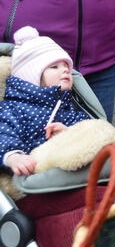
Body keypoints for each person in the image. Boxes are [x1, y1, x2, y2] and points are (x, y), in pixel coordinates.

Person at [0, 26, 91, 176]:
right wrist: (13, 157)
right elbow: (3, 134)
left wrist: (68, 133)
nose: (65, 70)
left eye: (66, 66)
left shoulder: (68, 106)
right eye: (54, 67)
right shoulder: (11, 109)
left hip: (71, 175)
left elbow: (88, 130)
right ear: (31, 76)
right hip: (32, 181)